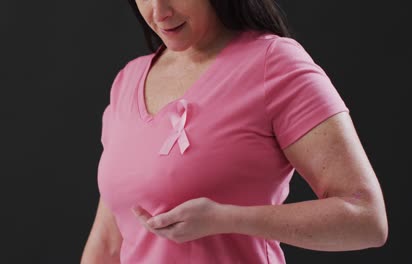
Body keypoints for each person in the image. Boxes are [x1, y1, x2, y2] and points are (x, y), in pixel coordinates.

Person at [81, 0, 388, 263]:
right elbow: (108, 244)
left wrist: (227, 219)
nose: (159, 11)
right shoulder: (128, 80)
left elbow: (366, 219)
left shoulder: (275, 64)